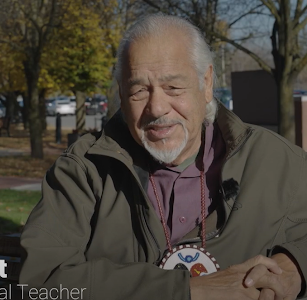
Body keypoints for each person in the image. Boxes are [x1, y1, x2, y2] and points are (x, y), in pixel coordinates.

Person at [19, 14, 306, 300]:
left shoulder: (274, 160)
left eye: (173, 87)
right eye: (139, 90)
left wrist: (295, 266)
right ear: (121, 92)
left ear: (206, 84)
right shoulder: (84, 170)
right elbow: (41, 282)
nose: (156, 108)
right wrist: (190, 290)